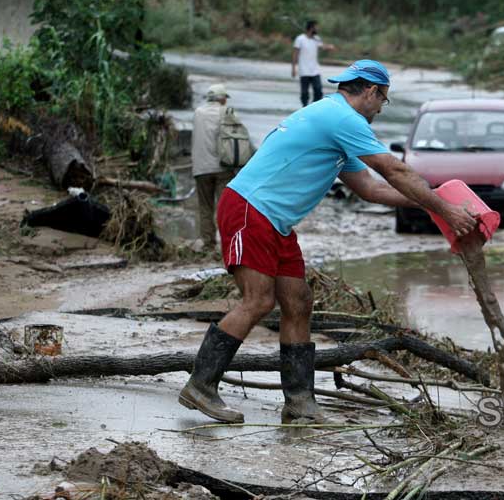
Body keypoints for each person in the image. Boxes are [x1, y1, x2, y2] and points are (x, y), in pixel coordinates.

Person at [178, 59, 477, 425]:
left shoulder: (339, 126)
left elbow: (370, 189)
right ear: (370, 91)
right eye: (383, 100)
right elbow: (394, 170)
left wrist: (434, 202)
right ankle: (201, 385)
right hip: (249, 208)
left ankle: (300, 403)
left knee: (299, 301)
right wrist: (445, 209)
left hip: (277, 221)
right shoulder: (342, 118)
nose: (381, 109)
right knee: (258, 300)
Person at [192, 83, 234, 250]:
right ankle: (227, 243)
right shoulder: (227, 112)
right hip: (223, 167)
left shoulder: (197, 113)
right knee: (224, 208)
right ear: (222, 98)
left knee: (205, 206)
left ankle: (208, 242)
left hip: (201, 168)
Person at [291, 20, 335, 106]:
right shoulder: (300, 39)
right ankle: (304, 107)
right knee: (304, 93)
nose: (318, 29)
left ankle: (313, 107)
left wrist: (329, 47)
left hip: (315, 70)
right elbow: (295, 54)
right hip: (304, 71)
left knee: (318, 91)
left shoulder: (316, 39)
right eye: (316, 27)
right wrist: (293, 68)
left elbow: (322, 46)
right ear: (311, 28)